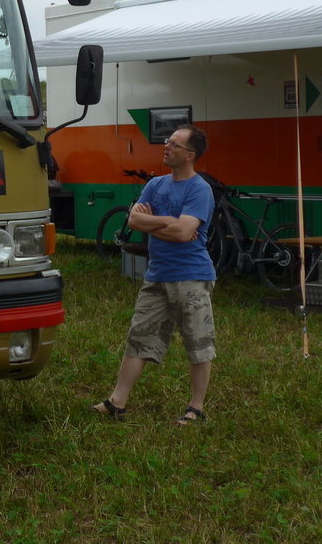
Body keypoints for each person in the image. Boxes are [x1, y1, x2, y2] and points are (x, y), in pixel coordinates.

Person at [93, 124, 217, 426]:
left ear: (190, 154)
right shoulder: (155, 184)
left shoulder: (199, 189)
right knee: (139, 336)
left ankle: (195, 408)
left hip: (191, 276)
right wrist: (165, 221)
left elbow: (185, 231)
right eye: (167, 141)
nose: (166, 146)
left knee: (197, 342)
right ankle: (116, 402)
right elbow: (133, 220)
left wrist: (154, 222)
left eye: (174, 144)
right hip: (157, 275)